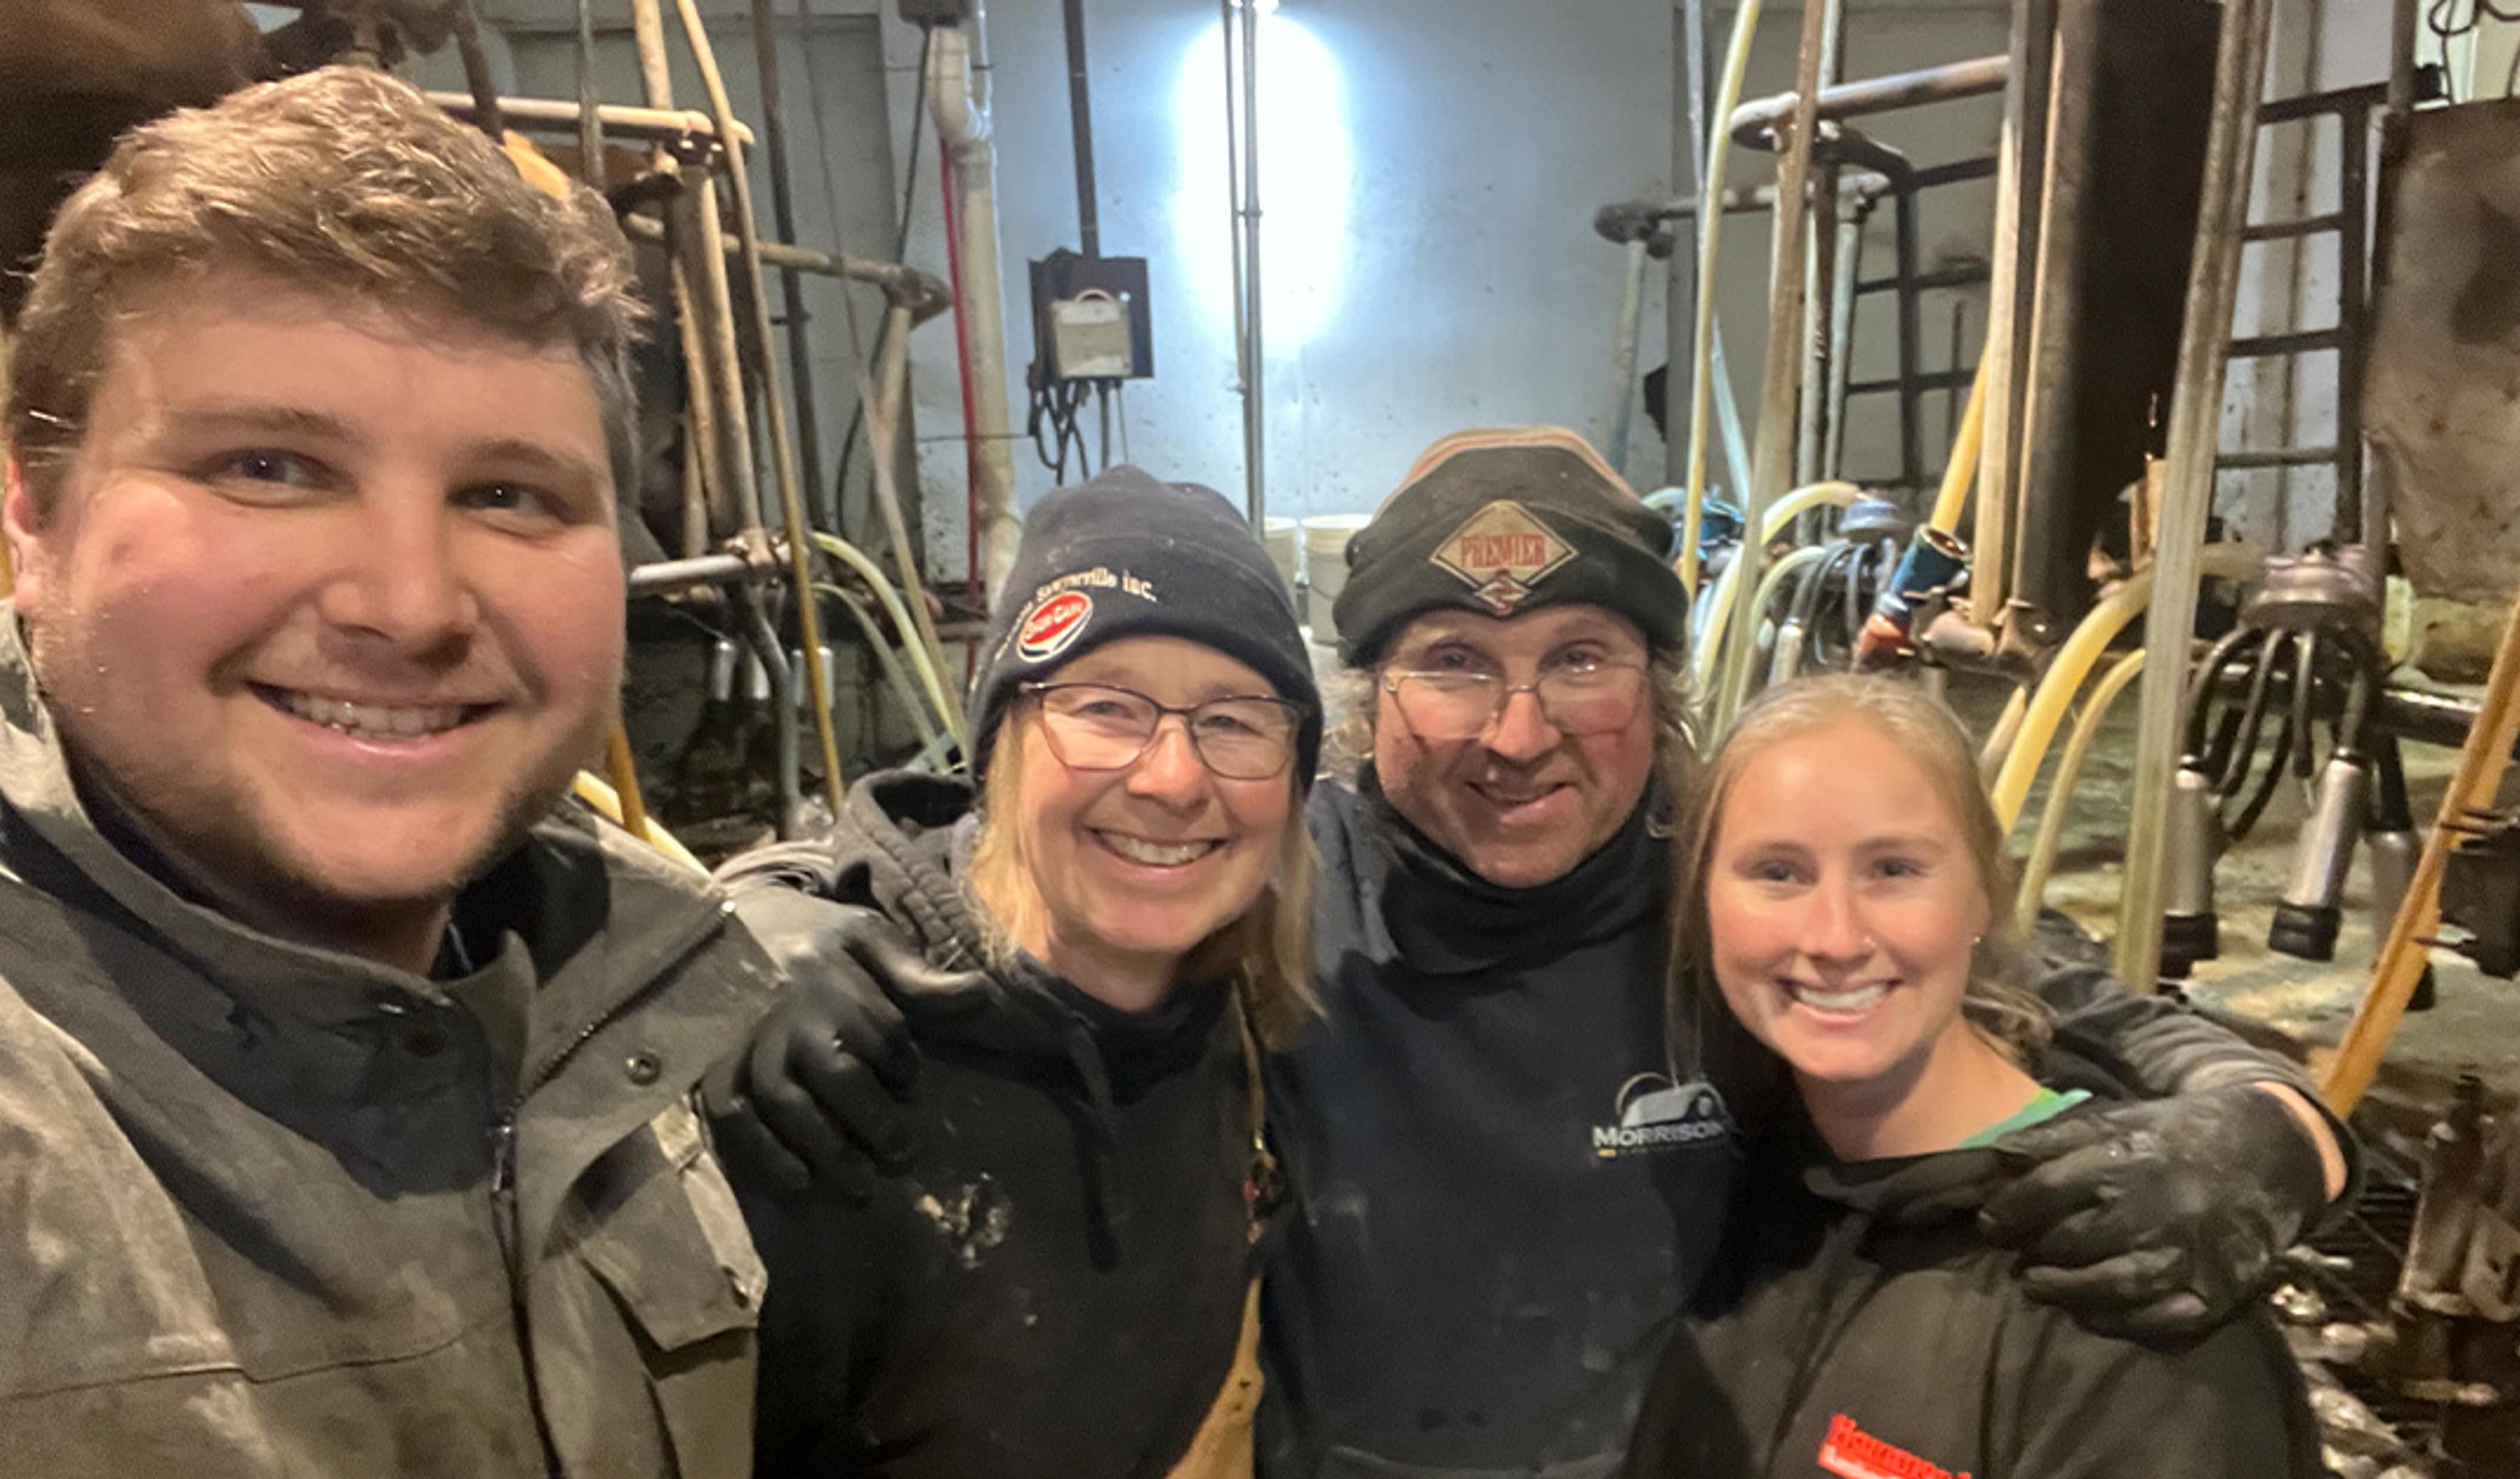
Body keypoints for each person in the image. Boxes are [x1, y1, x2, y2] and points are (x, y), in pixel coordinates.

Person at [712, 426, 2354, 1479]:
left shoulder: (1743, 890)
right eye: (1449, 663)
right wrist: (766, 929)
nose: (1516, 733)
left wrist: (2270, 1136)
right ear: (1363, 708)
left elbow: (2075, 1006)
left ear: (1659, 683)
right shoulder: (1278, 877)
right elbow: (965, 848)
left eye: (1579, 659)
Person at [0, 67, 770, 1475]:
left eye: (505, 495)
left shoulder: (607, 1012)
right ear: (31, 519)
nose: (409, 605)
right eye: (271, 467)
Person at [713, 466, 1320, 1478]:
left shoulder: (1246, 1015)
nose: (1173, 778)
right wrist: (731, 921)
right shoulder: (820, 1079)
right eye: (1106, 707)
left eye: (1234, 720)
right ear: (998, 745)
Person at [1622, 675, 2323, 1479]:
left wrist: (2291, 1123)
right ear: (1702, 901)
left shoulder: (2129, 1289)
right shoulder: (1728, 1185)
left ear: (1984, 893)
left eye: (1893, 868)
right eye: (1778, 872)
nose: (1835, 936)